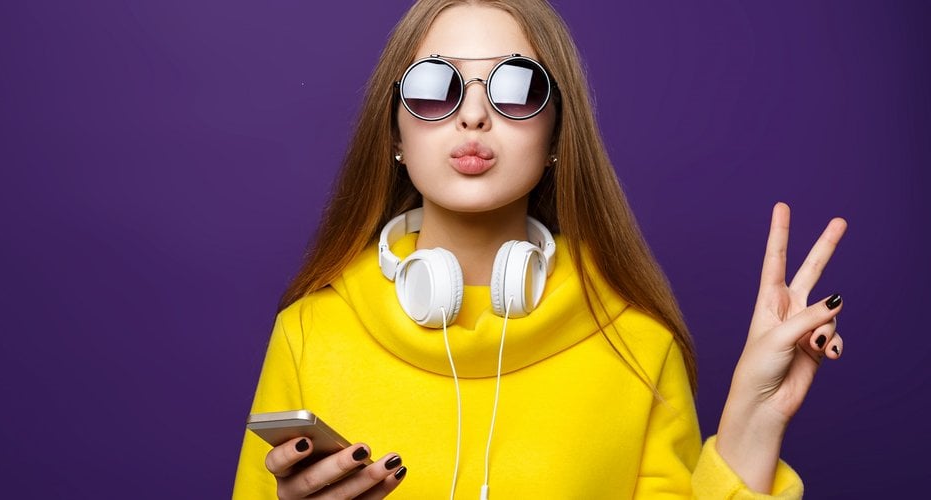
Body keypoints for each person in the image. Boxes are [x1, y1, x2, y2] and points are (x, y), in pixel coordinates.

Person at [233, 1, 847, 498]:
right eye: (433, 86)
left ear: (557, 136)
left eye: (516, 86)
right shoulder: (310, 334)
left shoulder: (637, 345)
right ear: (394, 131)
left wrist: (751, 425)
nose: (473, 114)